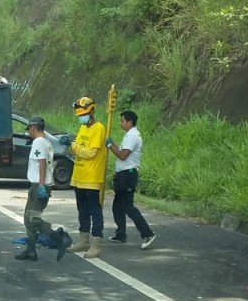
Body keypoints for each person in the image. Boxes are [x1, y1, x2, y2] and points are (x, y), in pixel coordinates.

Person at [15, 116, 73, 262]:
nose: (29, 133)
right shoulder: (46, 142)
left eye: (30, 130)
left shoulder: (39, 142)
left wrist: (41, 185)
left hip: (39, 186)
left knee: (33, 219)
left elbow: (41, 164)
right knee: (28, 219)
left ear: (34, 128)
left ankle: (59, 239)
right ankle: (31, 250)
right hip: (38, 185)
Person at [58, 97, 107, 258]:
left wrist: (72, 145)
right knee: (82, 211)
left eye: (84, 114)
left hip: (92, 177)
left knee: (95, 211)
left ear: (92, 111)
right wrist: (69, 145)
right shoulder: (83, 128)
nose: (81, 117)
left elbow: (90, 152)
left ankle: (96, 244)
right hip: (79, 176)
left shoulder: (99, 129)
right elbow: (78, 149)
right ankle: (84, 240)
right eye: (79, 114)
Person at [104, 110, 156, 249]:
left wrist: (110, 145)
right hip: (123, 175)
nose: (121, 124)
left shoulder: (133, 136)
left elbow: (122, 155)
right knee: (117, 206)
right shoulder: (129, 135)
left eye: (122, 121)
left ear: (129, 122)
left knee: (128, 207)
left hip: (128, 175)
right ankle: (121, 234)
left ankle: (147, 233)